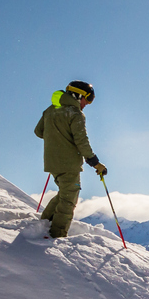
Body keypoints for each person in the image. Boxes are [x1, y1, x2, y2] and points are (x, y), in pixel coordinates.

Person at [34, 80, 108, 238]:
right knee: (69, 200)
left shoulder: (51, 110)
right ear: (77, 95)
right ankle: (56, 236)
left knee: (64, 194)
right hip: (68, 164)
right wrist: (95, 163)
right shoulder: (75, 114)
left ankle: (42, 224)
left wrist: (57, 136)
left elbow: (39, 132)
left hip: (52, 162)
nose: (87, 103)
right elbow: (82, 141)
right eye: (87, 99)